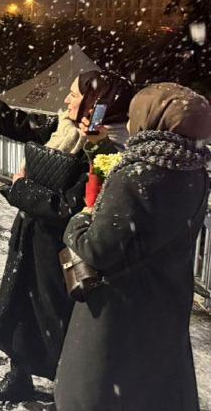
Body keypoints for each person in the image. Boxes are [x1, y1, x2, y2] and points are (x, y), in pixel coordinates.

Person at [0, 71, 134, 402]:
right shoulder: (65, 129)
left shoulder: (108, 151)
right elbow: (24, 126)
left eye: (74, 95)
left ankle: (68, 393)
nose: (66, 100)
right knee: (19, 303)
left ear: (95, 105)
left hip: (65, 250)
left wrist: (20, 190)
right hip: (32, 235)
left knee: (58, 318)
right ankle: (19, 374)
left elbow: (68, 207)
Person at [56, 83, 211, 411]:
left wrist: (80, 220)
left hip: (119, 311)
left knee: (97, 392)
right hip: (163, 302)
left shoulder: (139, 173)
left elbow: (97, 248)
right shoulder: (193, 170)